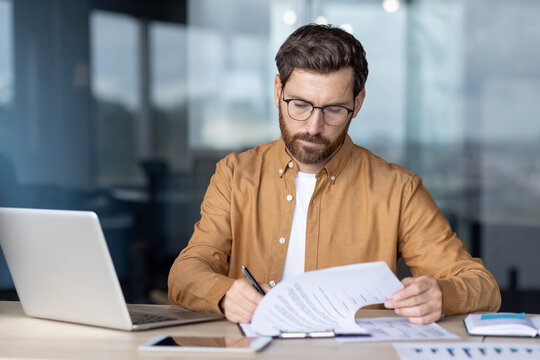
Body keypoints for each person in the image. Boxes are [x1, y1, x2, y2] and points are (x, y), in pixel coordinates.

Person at [168, 24, 500, 325]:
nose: (313, 127)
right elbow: (185, 274)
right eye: (299, 104)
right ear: (277, 91)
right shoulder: (235, 175)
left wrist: (441, 295)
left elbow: (482, 285)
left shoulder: (398, 190)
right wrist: (225, 295)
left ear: (358, 103)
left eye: (334, 110)